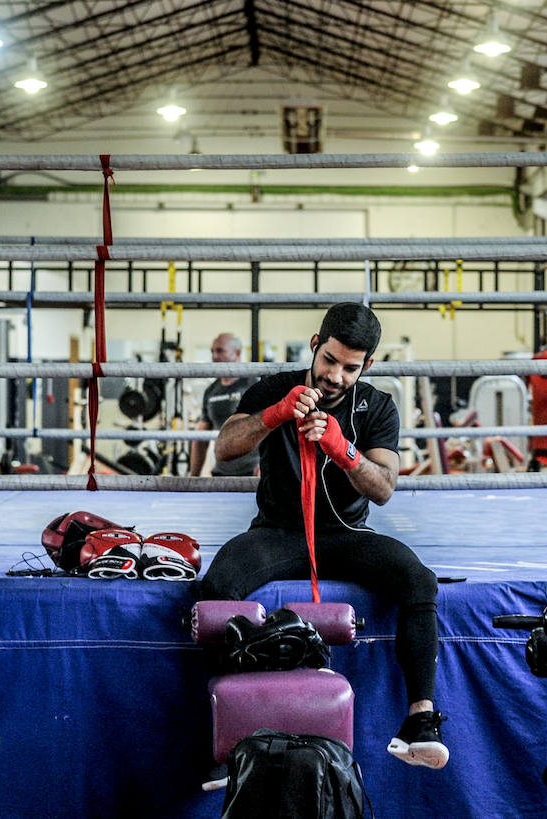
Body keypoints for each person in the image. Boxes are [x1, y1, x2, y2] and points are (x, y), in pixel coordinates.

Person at [199, 303, 448, 770]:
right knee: (217, 588)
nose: (335, 375)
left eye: (350, 367)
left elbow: (385, 488)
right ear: (316, 345)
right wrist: (274, 414)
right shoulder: (276, 387)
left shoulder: (375, 406)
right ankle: (228, 732)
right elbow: (226, 446)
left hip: (347, 534)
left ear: (367, 366)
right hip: (279, 532)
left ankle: (421, 720)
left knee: (419, 581)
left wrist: (343, 448)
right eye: (330, 360)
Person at [189, 333, 259, 477]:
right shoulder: (211, 391)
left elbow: (274, 426)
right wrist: (193, 477)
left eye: (220, 351)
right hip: (221, 473)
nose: (214, 356)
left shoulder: (254, 385)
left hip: (252, 473)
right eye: (212, 351)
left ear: (238, 352)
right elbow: (201, 437)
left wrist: (267, 464)